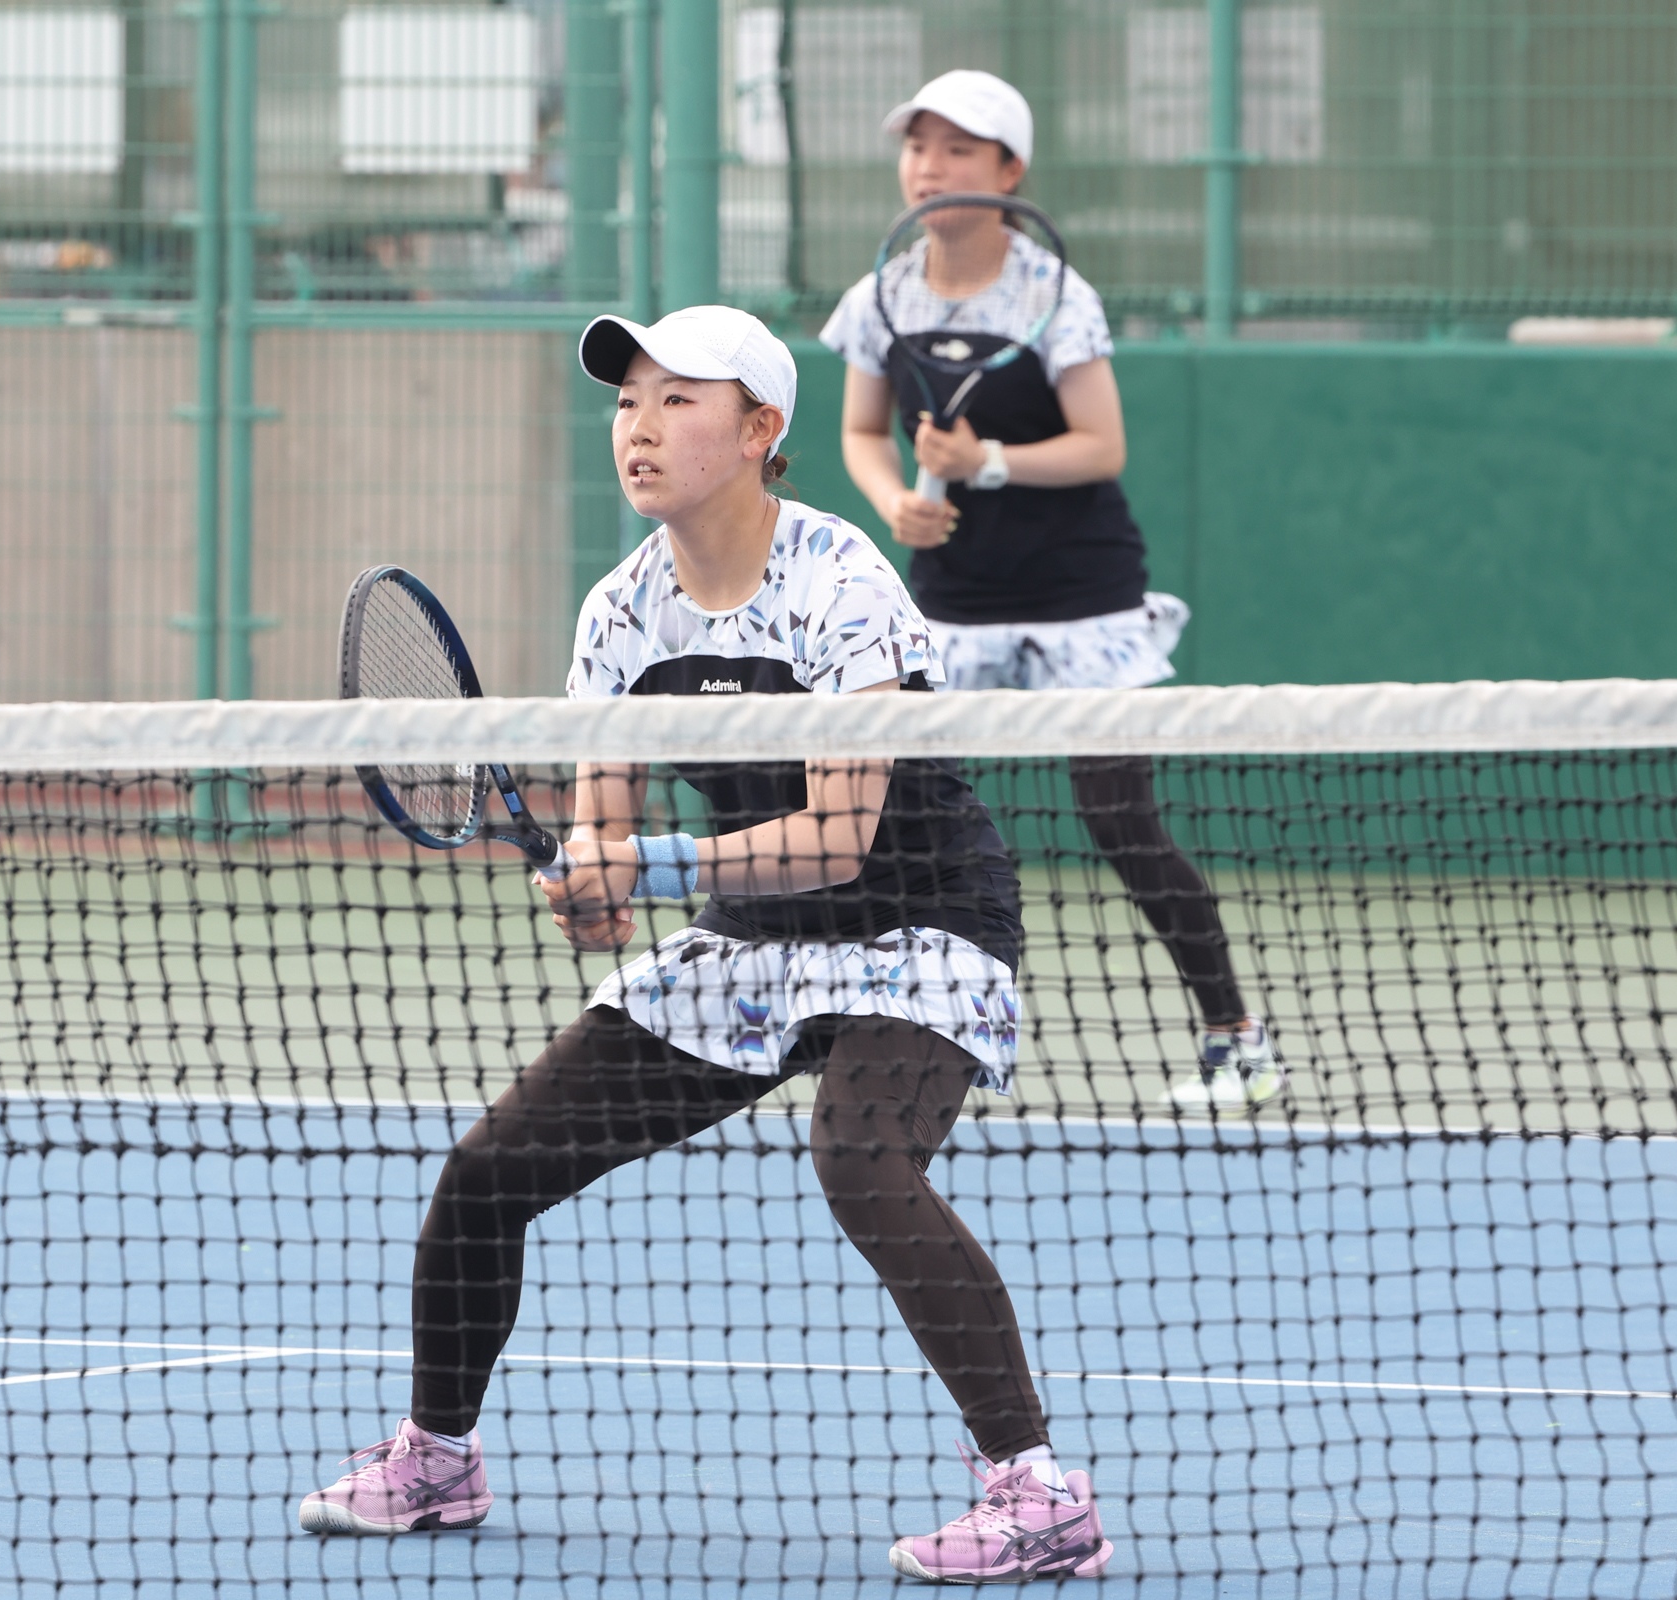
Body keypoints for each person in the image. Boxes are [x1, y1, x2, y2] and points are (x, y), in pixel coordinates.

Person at [296, 304, 1114, 1583]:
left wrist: (650, 865)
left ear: (757, 430)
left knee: (862, 1159)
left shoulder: (843, 581)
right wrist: (591, 890)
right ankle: (438, 1459)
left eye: (678, 400)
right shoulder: (619, 612)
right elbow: (604, 834)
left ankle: (1038, 1491)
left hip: (923, 919)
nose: (639, 426)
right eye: (628, 401)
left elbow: (838, 838)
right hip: (752, 940)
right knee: (489, 1170)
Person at [821, 68, 1293, 1114]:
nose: (930, 167)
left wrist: (987, 461)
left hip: (1082, 591)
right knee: (893, 819)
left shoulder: (1055, 297)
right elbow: (860, 430)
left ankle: (1236, 1036)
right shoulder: (881, 296)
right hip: (952, 595)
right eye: (918, 146)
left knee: (1120, 820)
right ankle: (869, 1029)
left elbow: (1101, 445)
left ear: (1008, 172)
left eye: (957, 149)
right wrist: (895, 499)